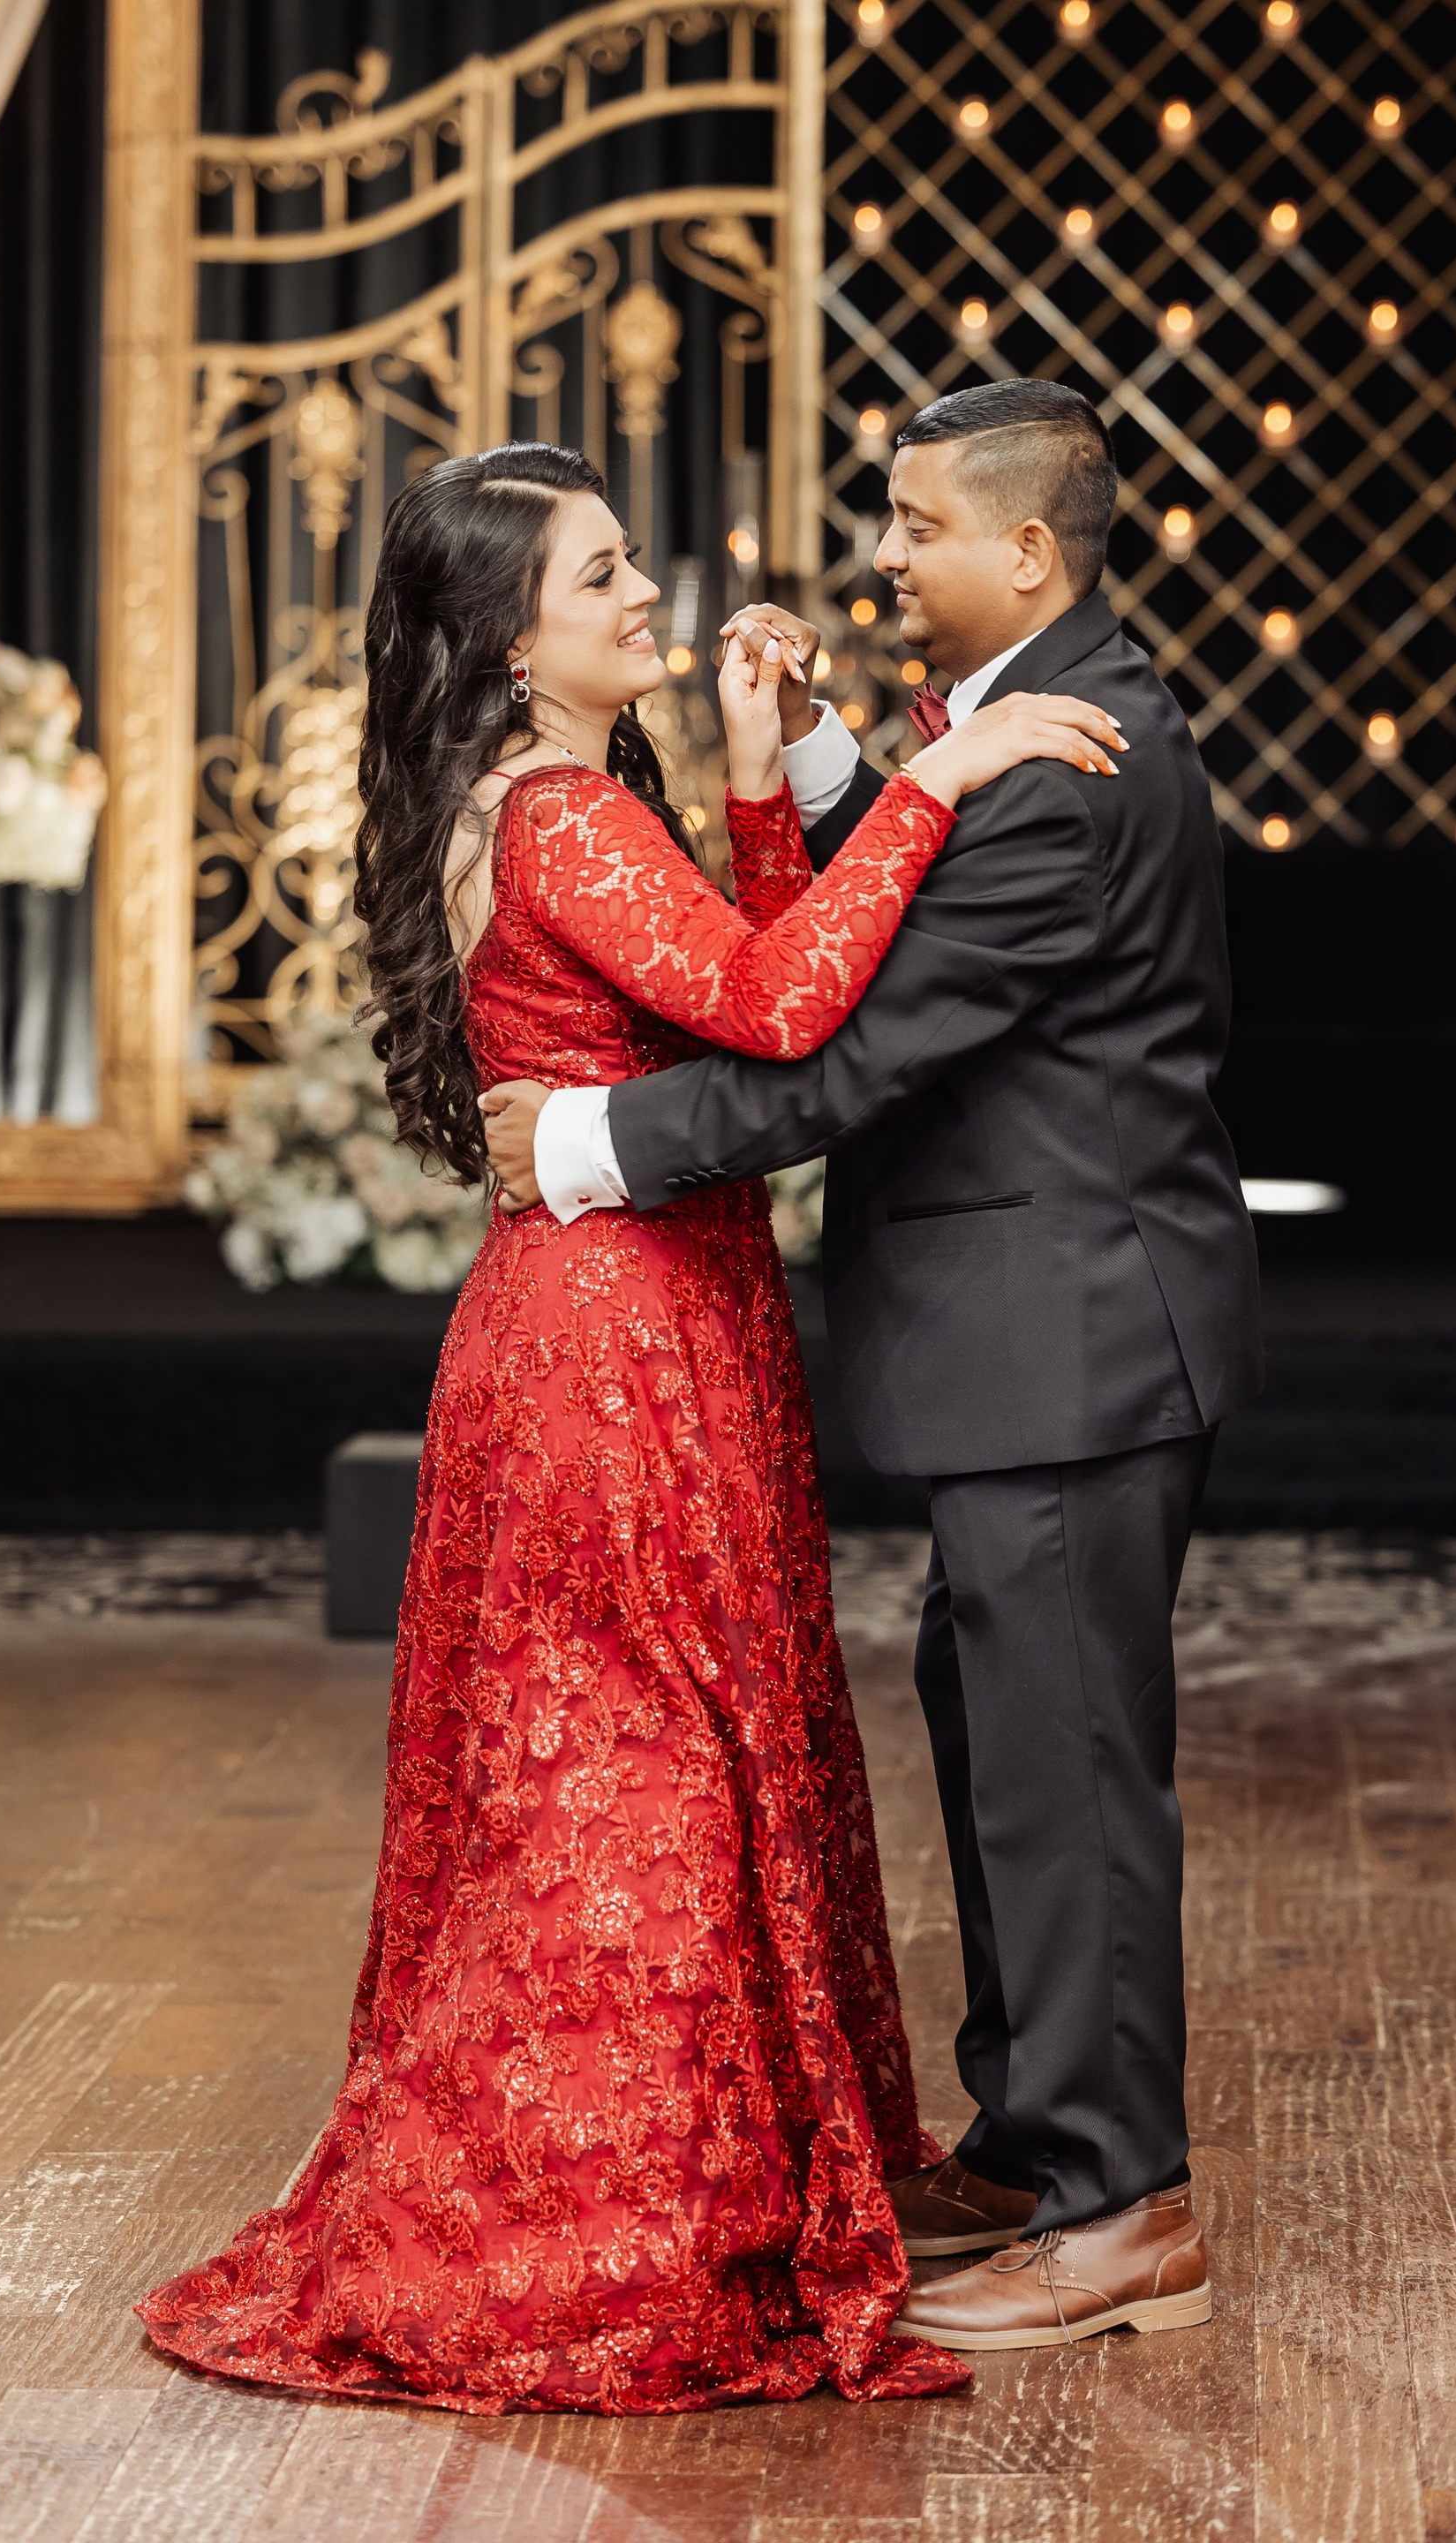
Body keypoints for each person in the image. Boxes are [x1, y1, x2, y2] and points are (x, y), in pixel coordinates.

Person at [135, 441, 1122, 2413]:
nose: (644, 591)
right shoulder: (561, 815)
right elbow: (782, 1013)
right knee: (642, 1770)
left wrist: (761, 780)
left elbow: (754, 989)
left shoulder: (578, 804)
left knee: (689, 1743)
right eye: (599, 576)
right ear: (513, 640)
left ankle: (717, 2186)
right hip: (614, 1344)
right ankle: (622, 2226)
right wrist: (932, 784)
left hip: (652, 1310)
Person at [481, 381, 1264, 2353]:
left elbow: (856, 1044)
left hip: (1072, 1340)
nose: (886, 553)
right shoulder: (1038, 716)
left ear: (1029, 550)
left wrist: (589, 1142)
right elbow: (908, 908)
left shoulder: (1069, 759)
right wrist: (835, 767)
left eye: (920, 524)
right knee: (1009, 1751)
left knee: (1069, 1780)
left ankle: (1124, 2212)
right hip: (1035, 1345)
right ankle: (1029, 2146)